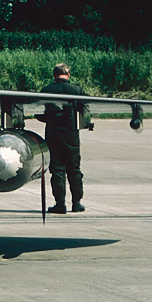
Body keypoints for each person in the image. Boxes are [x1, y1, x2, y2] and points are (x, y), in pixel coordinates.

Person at [41, 63, 86, 213]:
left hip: (53, 134)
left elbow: (41, 113)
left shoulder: (47, 90)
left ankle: (60, 204)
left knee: (57, 169)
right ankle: (77, 203)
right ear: (68, 74)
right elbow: (84, 109)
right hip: (71, 134)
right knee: (74, 168)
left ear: (54, 75)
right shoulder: (77, 90)